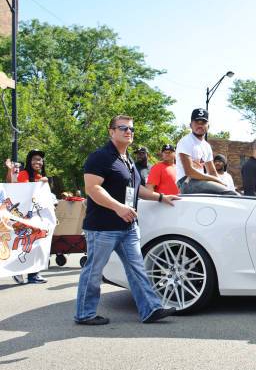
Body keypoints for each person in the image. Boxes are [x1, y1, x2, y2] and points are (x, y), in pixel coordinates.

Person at [75, 115, 180, 325]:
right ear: (111, 131)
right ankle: (84, 314)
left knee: (137, 269)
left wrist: (160, 196)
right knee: (94, 271)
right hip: (103, 228)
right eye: (122, 128)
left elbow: (136, 189)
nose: (128, 132)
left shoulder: (128, 161)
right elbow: (92, 188)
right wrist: (119, 207)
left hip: (128, 227)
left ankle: (150, 309)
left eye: (131, 129)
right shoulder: (100, 157)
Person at [10, 149, 49, 285]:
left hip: (37, 218)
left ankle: (33, 274)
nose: (38, 162)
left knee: (37, 244)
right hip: (23, 218)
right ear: (29, 161)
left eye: (40, 160)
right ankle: (17, 271)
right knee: (23, 243)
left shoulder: (40, 177)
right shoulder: (24, 174)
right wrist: (42, 182)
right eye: (35, 159)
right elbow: (23, 190)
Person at [175, 108, 235, 195]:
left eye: (203, 122)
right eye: (196, 122)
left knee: (227, 191)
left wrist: (222, 183)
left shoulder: (206, 146)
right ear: (190, 125)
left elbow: (212, 171)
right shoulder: (185, 141)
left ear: (208, 126)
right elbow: (189, 172)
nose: (200, 125)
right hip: (186, 182)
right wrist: (215, 180)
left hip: (201, 182)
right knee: (229, 194)